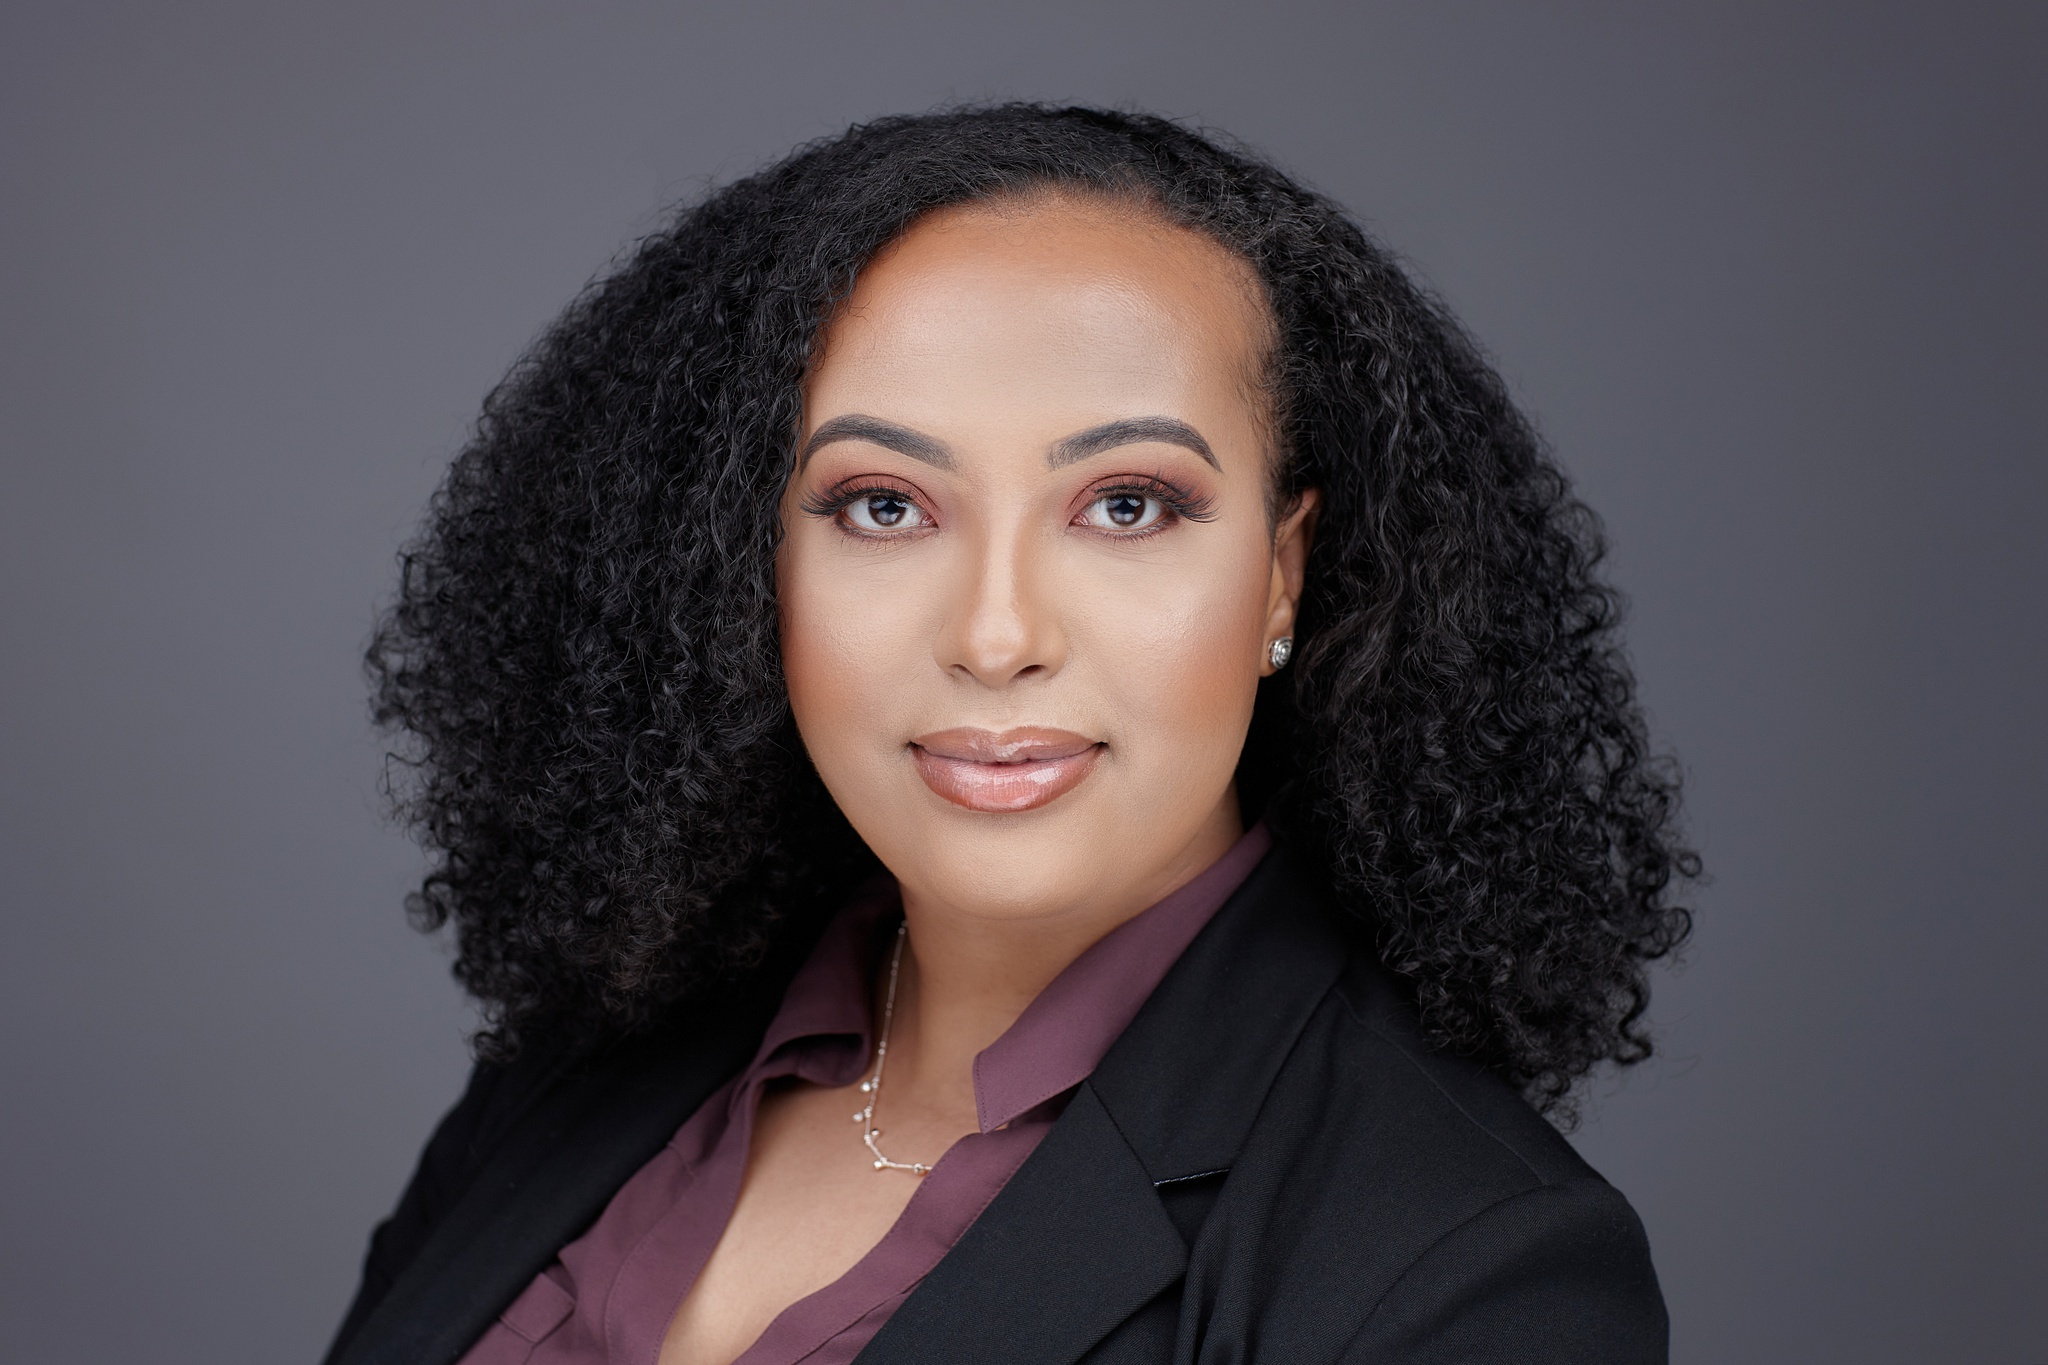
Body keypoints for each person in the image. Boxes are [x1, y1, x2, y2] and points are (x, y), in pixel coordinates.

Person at [324, 105, 1696, 1365]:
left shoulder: (1468, 1275)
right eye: (883, 505)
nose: (995, 635)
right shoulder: (594, 1057)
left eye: (1126, 506)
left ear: (1283, 574)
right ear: (746, 569)